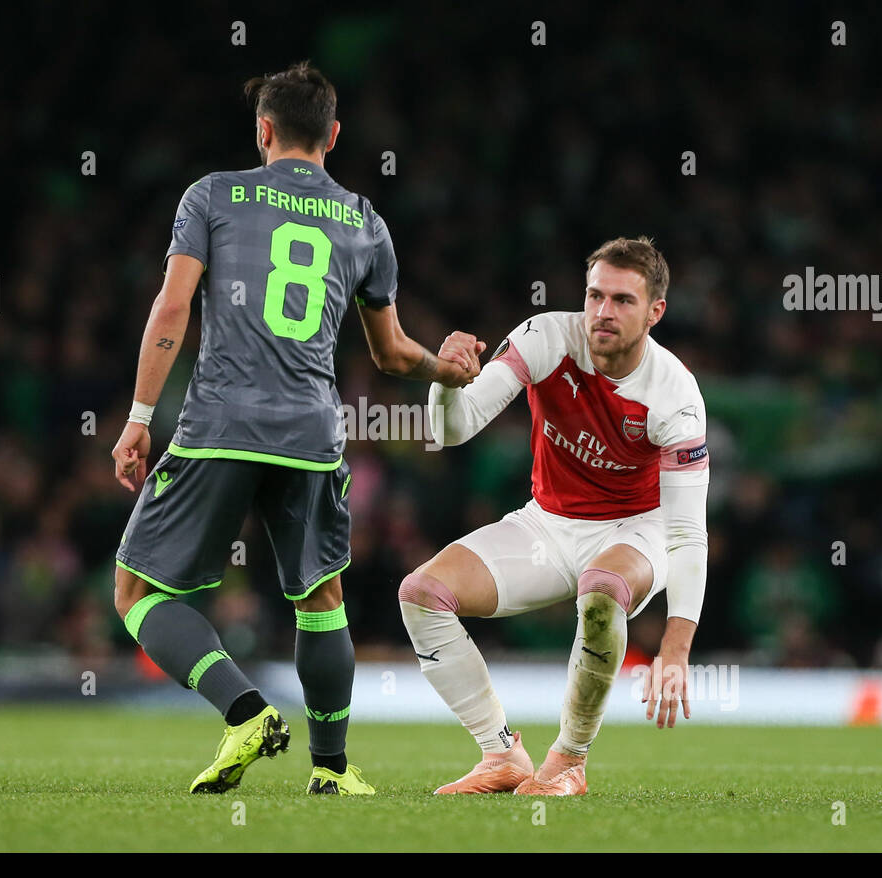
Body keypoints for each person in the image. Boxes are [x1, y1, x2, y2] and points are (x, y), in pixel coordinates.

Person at [110, 62, 479, 795]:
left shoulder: (211, 195)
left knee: (135, 590)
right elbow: (390, 352)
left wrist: (139, 417)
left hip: (220, 419)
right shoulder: (365, 221)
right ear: (334, 136)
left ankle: (244, 710)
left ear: (263, 130)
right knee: (321, 598)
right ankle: (332, 770)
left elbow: (172, 309)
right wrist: (448, 368)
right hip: (312, 431)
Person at [400, 236, 709, 795]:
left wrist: (675, 645)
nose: (602, 312)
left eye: (622, 301)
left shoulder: (675, 395)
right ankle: (501, 755)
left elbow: (687, 533)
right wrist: (445, 381)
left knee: (600, 589)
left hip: (638, 530)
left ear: (655, 312)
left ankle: (568, 760)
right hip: (547, 523)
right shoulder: (546, 337)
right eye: (595, 296)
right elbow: (452, 429)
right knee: (421, 594)